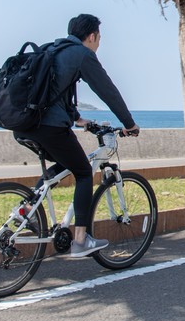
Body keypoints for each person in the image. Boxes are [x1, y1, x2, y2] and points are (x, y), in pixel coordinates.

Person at [14, 14, 140, 257]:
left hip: (23, 124)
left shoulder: (52, 49)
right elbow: (108, 91)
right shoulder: (83, 55)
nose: (99, 44)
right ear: (91, 36)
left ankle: (28, 208)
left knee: (64, 162)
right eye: (99, 39)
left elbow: (54, 92)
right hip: (48, 127)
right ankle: (81, 240)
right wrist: (129, 123)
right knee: (83, 171)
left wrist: (76, 118)